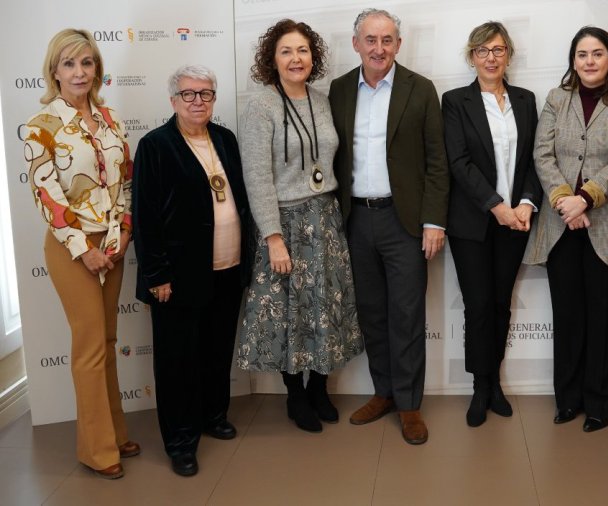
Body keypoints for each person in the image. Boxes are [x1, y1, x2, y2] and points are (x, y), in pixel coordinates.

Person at [329, 8, 449, 445]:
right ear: (356, 43)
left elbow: (437, 162)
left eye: (387, 40)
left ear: (398, 44)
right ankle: (383, 392)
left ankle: (410, 403)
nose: (379, 48)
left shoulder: (421, 89)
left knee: (406, 314)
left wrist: (434, 221)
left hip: (407, 223)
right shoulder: (340, 90)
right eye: (370, 39)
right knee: (372, 314)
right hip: (356, 219)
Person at [23, 28, 139, 480]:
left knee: (107, 342)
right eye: (69, 63)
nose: (79, 72)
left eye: (87, 62)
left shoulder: (111, 119)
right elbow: (46, 197)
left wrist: (124, 231)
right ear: (55, 70)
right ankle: (96, 449)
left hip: (113, 246)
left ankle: (113, 431)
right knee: (90, 346)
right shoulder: (42, 125)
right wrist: (83, 249)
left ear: (97, 69)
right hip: (73, 250)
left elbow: (125, 183)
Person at [236, 19, 363, 433]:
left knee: (326, 307)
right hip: (285, 222)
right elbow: (256, 177)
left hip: (324, 218)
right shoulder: (261, 104)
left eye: (303, 50)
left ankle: (319, 389)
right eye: (287, 51)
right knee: (290, 312)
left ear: (314, 56)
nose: (296, 58)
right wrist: (273, 237)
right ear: (272, 59)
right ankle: (295, 395)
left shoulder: (321, 101)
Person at [132, 65, 254, 477]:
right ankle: (180, 442)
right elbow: (145, 217)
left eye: (206, 94)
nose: (198, 101)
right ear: (173, 101)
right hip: (177, 276)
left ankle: (212, 416)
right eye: (189, 94)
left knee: (217, 351)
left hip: (227, 267)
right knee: (176, 362)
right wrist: (156, 275)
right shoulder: (155, 146)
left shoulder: (225, 138)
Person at [523, 26, 608, 432]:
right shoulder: (558, 99)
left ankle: (601, 404)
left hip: (606, 225)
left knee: (605, 319)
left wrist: (586, 198)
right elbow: (542, 153)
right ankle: (568, 399)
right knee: (569, 317)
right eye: (581, 54)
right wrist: (564, 201)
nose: (589, 61)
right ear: (573, 61)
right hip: (562, 226)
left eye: (597, 53)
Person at [442, 21, 541, 427]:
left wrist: (528, 203)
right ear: (471, 57)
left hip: (517, 221)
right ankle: (479, 387)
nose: (491, 57)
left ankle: (495, 381)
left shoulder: (525, 99)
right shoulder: (455, 101)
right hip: (473, 223)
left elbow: (537, 157)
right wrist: (496, 205)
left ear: (509, 55)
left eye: (498, 49)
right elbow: (458, 162)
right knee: (478, 305)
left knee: (500, 304)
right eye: (482, 51)